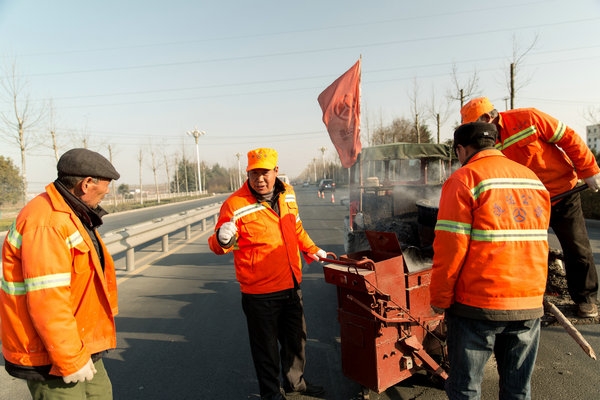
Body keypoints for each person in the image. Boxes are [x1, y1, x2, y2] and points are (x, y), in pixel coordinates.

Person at [430, 122, 551, 399]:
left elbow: (450, 249)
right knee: (517, 389)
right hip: (528, 303)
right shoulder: (532, 179)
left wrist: (440, 298)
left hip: (478, 305)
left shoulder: (464, 179)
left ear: (461, 149)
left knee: (465, 387)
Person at [461, 97, 600, 318]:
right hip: (528, 203)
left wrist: (589, 170)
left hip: (562, 193)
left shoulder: (529, 118)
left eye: (475, 126)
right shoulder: (485, 142)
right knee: (526, 251)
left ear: (488, 118)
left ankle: (586, 299)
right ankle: (531, 297)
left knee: (577, 248)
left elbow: (568, 137)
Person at [1, 148, 120, 400]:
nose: (106, 194)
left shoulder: (70, 213)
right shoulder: (47, 223)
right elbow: (48, 300)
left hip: (79, 342)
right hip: (51, 354)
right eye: (105, 188)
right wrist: (70, 359)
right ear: (87, 184)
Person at [208, 148, 326, 400]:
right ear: (247, 173)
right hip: (259, 293)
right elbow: (219, 245)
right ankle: (271, 394)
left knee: (297, 340)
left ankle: (295, 383)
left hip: (291, 284)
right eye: (254, 174)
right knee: (266, 348)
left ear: (276, 171)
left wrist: (313, 249)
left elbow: (296, 227)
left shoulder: (289, 194)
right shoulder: (234, 205)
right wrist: (222, 239)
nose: (259, 179)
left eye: (264, 173)